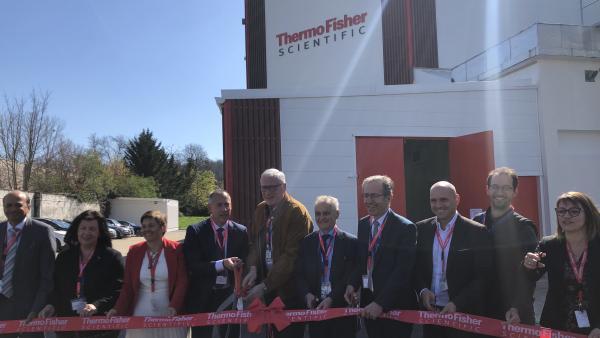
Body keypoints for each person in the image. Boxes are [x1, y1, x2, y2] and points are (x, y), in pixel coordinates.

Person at [241, 168, 313, 338]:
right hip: (268, 289)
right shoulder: (261, 210)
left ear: (284, 187)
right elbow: (255, 245)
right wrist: (252, 268)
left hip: (290, 292)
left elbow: (291, 256)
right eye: (264, 188)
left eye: (274, 187)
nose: (268, 192)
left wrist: (265, 285)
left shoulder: (297, 212)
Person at [415, 181, 492, 338]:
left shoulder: (477, 231)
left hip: (464, 316)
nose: (438, 205)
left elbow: (484, 276)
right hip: (432, 315)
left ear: (456, 199)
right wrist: (422, 291)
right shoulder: (421, 229)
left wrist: (457, 303)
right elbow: (415, 268)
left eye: (444, 199)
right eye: (433, 200)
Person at [345, 175, 417, 338]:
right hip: (369, 306)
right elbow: (362, 261)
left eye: (374, 196)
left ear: (389, 196)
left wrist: (380, 304)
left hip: (396, 307)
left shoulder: (405, 228)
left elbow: (402, 271)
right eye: (366, 195)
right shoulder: (363, 225)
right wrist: (352, 284)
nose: (369, 201)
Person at [524, 192, 600, 337]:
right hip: (554, 326)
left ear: (588, 214)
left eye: (574, 211)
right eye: (561, 211)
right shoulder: (549, 245)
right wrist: (528, 265)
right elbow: (529, 277)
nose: (566, 216)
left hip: (594, 328)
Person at [39, 210, 124, 338]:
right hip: (67, 326)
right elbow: (56, 287)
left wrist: (96, 305)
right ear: (76, 231)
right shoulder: (64, 257)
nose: (86, 233)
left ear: (99, 232)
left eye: (92, 229)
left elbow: (118, 290)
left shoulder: (112, 257)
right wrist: (51, 305)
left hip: (100, 326)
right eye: (83, 228)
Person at [107, 210, 188, 338]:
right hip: (141, 313)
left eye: (151, 225)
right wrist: (117, 309)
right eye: (144, 226)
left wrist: (175, 306)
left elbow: (182, 281)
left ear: (163, 228)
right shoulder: (134, 251)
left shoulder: (176, 249)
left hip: (169, 313)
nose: (146, 230)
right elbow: (127, 286)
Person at [473, 167, 538, 324]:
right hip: (479, 310)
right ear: (487, 189)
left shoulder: (524, 228)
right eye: (495, 187)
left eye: (506, 188)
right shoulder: (475, 223)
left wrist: (517, 307)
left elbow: (528, 277)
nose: (499, 192)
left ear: (515, 192)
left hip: (512, 314)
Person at [184, 189, 248, 338]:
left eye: (227, 204)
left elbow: (245, 261)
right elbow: (193, 266)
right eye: (219, 205)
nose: (224, 209)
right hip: (203, 298)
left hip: (230, 298)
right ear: (210, 208)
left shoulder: (241, 231)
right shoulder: (196, 231)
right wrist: (222, 264)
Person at [295, 196, 357, 338]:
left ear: (337, 214)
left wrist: (332, 298)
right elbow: (299, 274)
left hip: (342, 312)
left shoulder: (350, 242)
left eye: (326, 213)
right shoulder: (307, 242)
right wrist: (306, 295)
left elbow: (350, 275)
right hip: (316, 311)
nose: (321, 217)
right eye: (318, 213)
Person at [0, 190, 56, 338]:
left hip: (30, 309)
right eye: (8, 205)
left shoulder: (43, 232)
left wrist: (37, 308)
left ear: (28, 206)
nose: (12, 209)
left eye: (18, 205)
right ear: (3, 207)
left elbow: (47, 276)